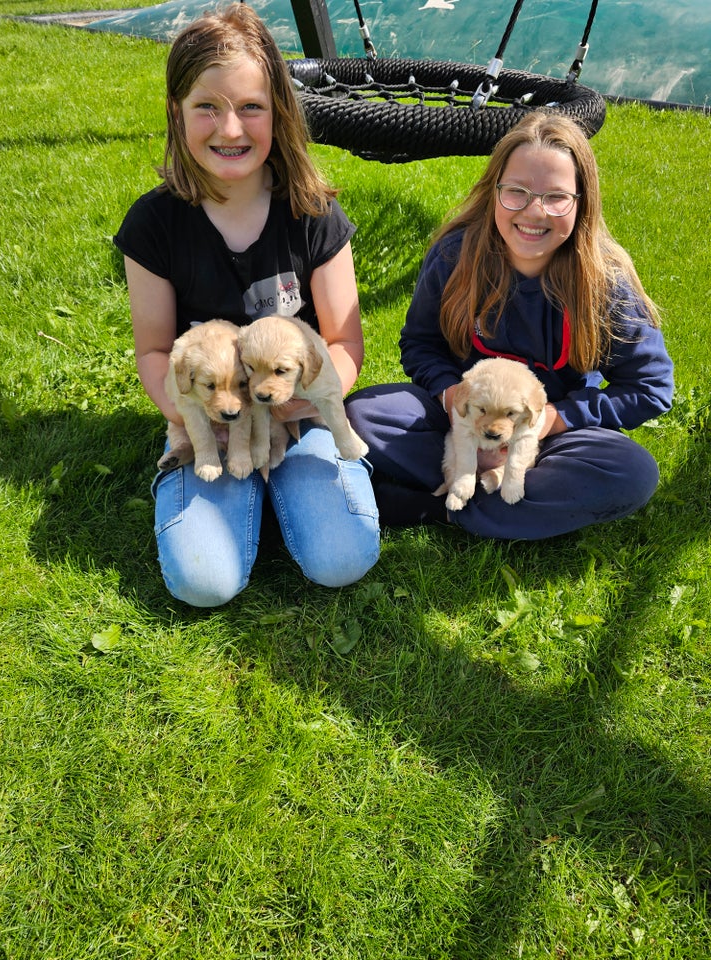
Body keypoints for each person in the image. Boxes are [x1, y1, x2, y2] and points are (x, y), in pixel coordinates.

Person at [114, 3, 379, 606]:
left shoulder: (313, 213)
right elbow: (156, 350)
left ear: (279, 112)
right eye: (207, 106)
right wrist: (197, 420)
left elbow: (342, 342)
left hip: (299, 409)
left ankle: (291, 483)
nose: (230, 129)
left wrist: (283, 411)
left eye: (251, 107)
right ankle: (233, 491)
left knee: (343, 559)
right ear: (176, 113)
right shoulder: (154, 224)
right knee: (204, 582)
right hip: (207, 415)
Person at [345, 112, 674, 538]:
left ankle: (434, 508)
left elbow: (651, 388)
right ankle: (492, 500)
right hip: (462, 421)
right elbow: (421, 345)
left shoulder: (605, 282)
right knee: (365, 414)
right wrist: (456, 404)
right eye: (516, 192)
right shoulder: (454, 255)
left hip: (550, 437)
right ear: (494, 192)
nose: (534, 212)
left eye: (556, 197)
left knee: (631, 471)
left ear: (582, 202)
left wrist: (553, 419)